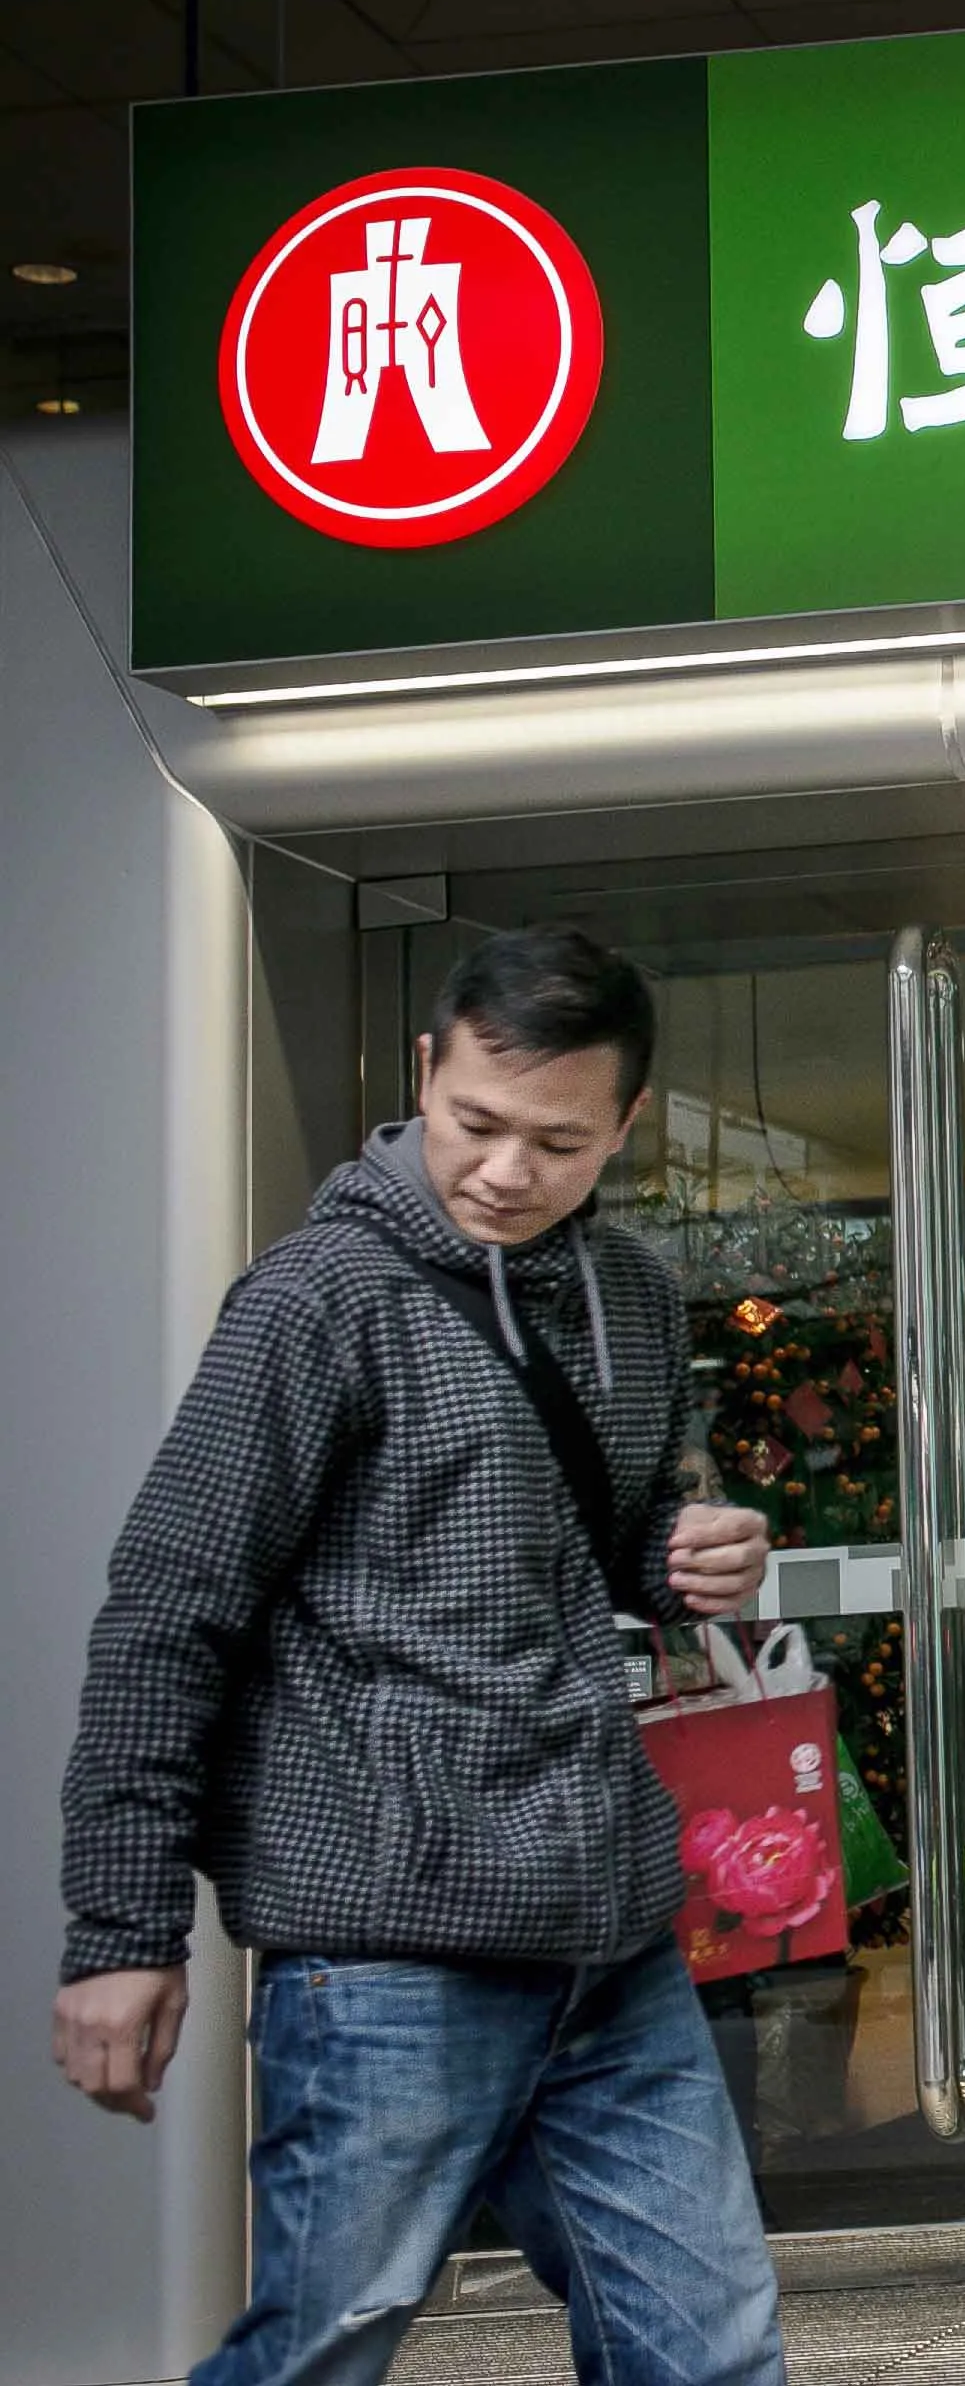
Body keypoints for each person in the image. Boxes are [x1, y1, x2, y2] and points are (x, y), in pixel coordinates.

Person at [53, 926, 785, 2386]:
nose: (508, 1171)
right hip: (391, 1948)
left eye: (559, 1141)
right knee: (322, 2355)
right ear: (424, 1073)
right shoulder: (313, 1302)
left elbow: (620, 1522)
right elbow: (164, 1610)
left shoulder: (633, 1295)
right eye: (476, 1125)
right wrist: (121, 1932)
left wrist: (685, 1552)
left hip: (607, 1939)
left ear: (626, 1125)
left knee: (709, 2355)